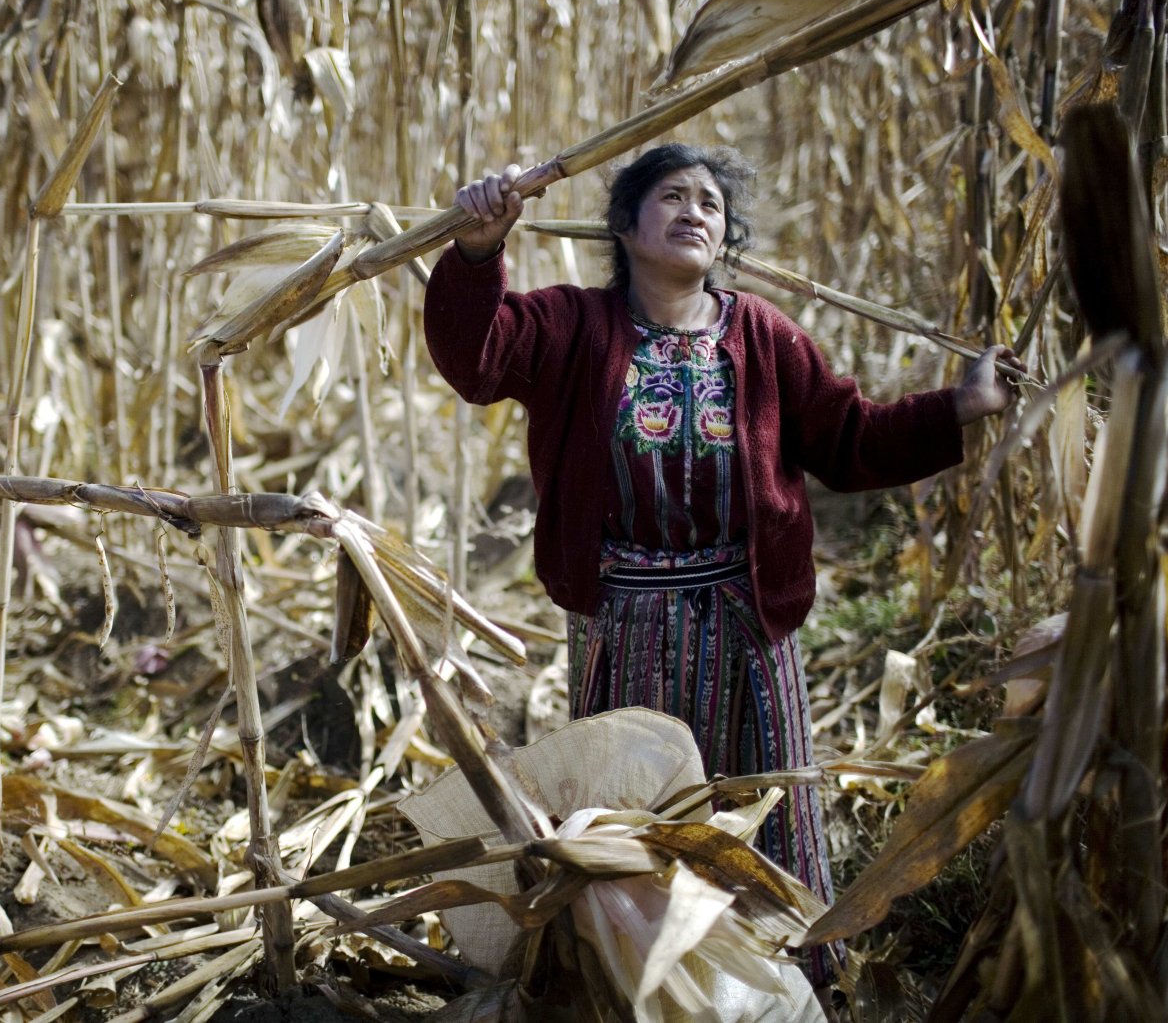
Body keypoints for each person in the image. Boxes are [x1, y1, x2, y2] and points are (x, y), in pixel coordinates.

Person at [423, 145, 1017, 1000]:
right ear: (626, 227)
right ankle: (641, 988)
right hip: (625, 627)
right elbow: (475, 359)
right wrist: (478, 251)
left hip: (746, 625)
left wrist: (962, 405)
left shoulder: (764, 336)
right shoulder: (571, 325)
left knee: (759, 810)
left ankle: (781, 988)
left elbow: (850, 439)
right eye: (670, 196)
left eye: (710, 201)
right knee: (642, 825)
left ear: (726, 236)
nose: (695, 210)